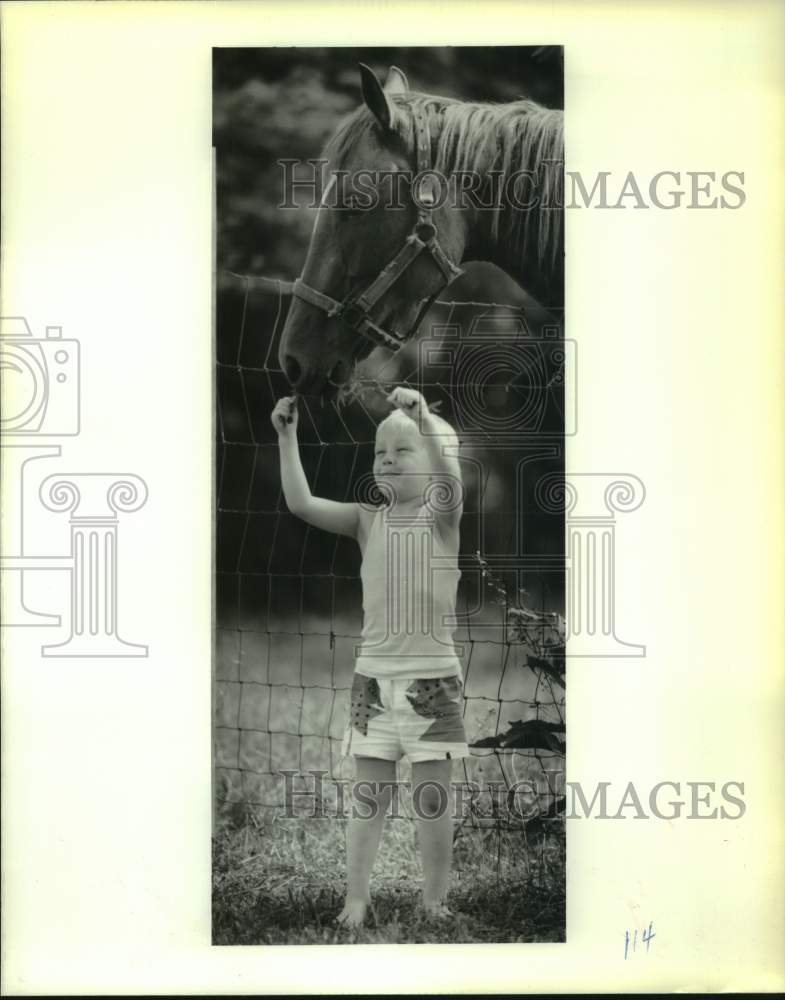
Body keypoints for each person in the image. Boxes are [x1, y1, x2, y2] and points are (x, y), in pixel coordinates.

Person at [271, 386, 469, 927]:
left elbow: (452, 482)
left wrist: (426, 422)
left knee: (432, 801)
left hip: (433, 683)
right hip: (374, 684)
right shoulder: (368, 520)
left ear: (431, 462)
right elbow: (301, 504)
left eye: (402, 450)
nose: (386, 460)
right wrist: (287, 438)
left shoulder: (441, 520)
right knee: (368, 800)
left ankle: (434, 900)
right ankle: (355, 897)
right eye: (380, 452)